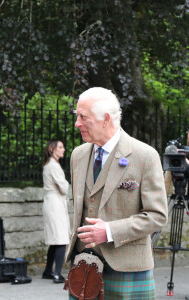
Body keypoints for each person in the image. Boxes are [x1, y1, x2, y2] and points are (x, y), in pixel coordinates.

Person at [66, 87, 168, 299]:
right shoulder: (78, 155)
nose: (77, 123)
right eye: (77, 116)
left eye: (83, 117)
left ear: (105, 119)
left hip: (128, 270)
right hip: (83, 268)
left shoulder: (145, 156)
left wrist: (110, 231)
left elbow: (157, 216)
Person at [42, 140, 70, 284]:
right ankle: (57, 274)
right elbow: (64, 187)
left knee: (55, 239)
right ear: (52, 149)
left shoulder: (50, 164)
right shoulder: (53, 166)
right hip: (55, 203)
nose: (63, 149)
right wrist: (68, 184)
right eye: (60, 147)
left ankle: (48, 271)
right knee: (60, 238)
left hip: (52, 202)